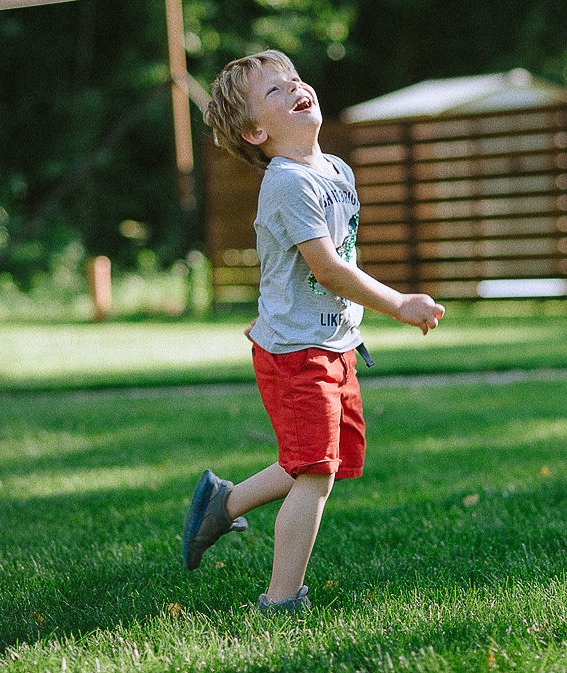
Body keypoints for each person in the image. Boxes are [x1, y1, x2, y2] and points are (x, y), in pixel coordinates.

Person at [183, 50, 445, 614]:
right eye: (275, 91)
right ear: (256, 132)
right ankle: (281, 600)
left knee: (318, 458)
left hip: (333, 343)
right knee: (315, 473)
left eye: (295, 79)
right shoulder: (287, 182)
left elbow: (315, 261)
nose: (295, 89)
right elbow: (326, 268)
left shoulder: (337, 172)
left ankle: (222, 504)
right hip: (300, 353)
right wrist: (399, 304)